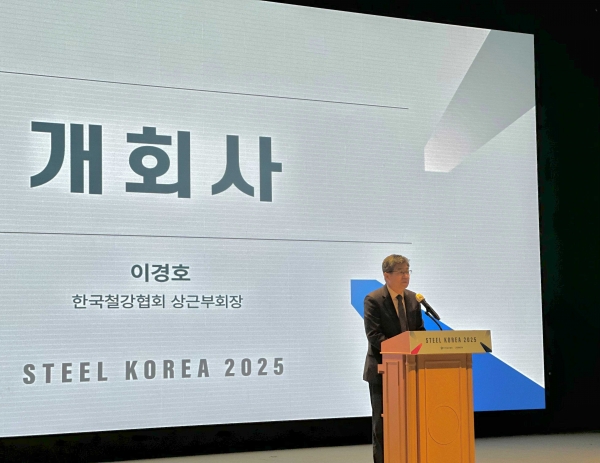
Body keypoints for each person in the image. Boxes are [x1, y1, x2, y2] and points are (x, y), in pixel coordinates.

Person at [363, 254, 425, 463]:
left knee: (411, 422)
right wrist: (400, 351)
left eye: (407, 271)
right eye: (401, 272)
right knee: (382, 425)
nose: (406, 276)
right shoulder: (373, 300)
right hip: (383, 371)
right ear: (387, 275)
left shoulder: (413, 299)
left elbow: (419, 333)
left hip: (410, 371)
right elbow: (374, 336)